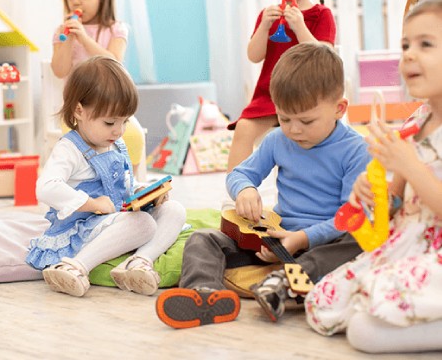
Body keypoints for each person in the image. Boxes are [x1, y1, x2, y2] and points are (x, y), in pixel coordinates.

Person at [156, 43, 370, 328]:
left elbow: (348, 218)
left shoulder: (355, 150)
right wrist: (245, 190)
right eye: (284, 118)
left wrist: (300, 239)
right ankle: (204, 295)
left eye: (306, 120)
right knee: (202, 239)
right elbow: (238, 175)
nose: (293, 129)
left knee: (357, 241)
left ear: (339, 109)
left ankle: (281, 285)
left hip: (323, 241)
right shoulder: (277, 139)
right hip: (274, 237)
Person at [304, 0, 442, 354]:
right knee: (322, 303)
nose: (409, 54)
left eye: (425, 44)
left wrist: (410, 165)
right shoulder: (416, 122)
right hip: (407, 243)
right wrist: (375, 192)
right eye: (405, 45)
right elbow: (396, 202)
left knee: (365, 331)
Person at [26, 55, 186, 297]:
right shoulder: (70, 149)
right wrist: (92, 204)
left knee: (175, 210)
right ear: (79, 110)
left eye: (125, 121)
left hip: (116, 219)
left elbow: (123, 185)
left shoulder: (115, 144)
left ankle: (138, 263)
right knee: (143, 224)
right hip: (82, 226)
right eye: (110, 122)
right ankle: (75, 267)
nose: (119, 130)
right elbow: (46, 187)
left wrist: (146, 192)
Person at [226, 0, 336, 173]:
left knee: (308, 138)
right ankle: (235, 188)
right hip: (271, 93)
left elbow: (325, 55)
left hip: (309, 94)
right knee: (244, 129)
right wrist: (265, 25)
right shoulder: (269, 14)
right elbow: (254, 56)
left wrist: (300, 26)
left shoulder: (321, 14)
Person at [50, 0, 146, 179]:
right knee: (83, 143)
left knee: (135, 136)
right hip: (79, 109)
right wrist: (66, 41)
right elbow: (60, 70)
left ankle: (130, 180)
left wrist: (84, 39)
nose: (75, 1)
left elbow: (115, 62)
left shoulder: (115, 29)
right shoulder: (62, 32)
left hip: (112, 107)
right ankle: (91, 181)